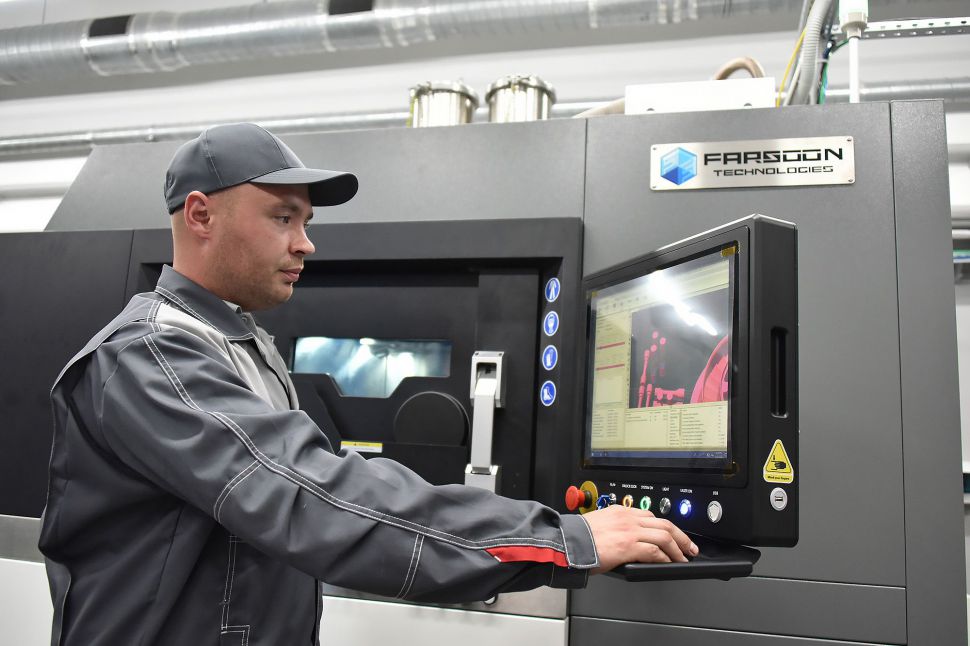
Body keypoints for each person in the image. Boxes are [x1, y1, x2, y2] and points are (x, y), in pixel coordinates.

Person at [39, 123, 696, 645]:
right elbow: (310, 497)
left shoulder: (241, 343)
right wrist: (566, 539)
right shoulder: (149, 356)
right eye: (283, 218)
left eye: (306, 223)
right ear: (201, 215)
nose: (305, 243)